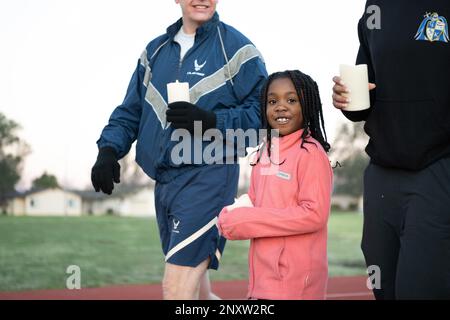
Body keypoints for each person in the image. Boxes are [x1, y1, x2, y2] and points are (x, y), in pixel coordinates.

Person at [91, 0, 267, 300]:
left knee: (175, 288)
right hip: (165, 181)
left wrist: (211, 121)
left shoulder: (238, 49)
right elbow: (130, 111)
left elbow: (263, 116)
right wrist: (108, 150)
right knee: (197, 293)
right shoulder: (155, 51)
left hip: (210, 176)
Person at [332, 0, 450, 299]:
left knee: (420, 288)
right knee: (384, 287)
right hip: (382, 170)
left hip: (439, 166)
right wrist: (347, 99)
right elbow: (365, 90)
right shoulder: (376, 7)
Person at [218, 70, 333, 300]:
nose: (280, 107)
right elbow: (254, 199)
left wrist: (249, 220)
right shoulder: (265, 150)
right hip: (262, 280)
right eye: (272, 101)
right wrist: (233, 214)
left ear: (307, 106)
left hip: (295, 284)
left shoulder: (310, 153)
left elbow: (314, 214)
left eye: (291, 100)